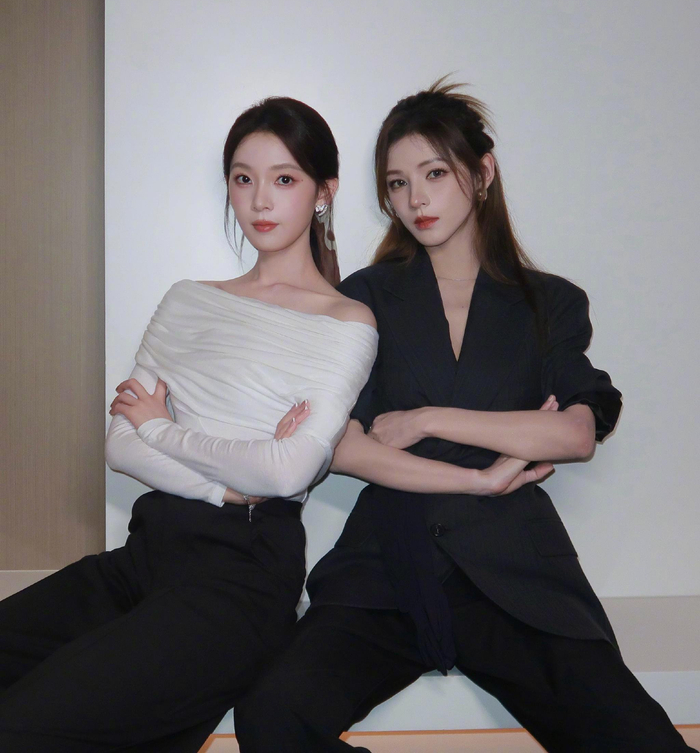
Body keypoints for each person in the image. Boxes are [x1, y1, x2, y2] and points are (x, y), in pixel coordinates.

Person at [233, 81, 695, 752]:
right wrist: (491, 456)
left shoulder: (549, 303)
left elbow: (574, 433)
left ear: (482, 173)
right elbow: (345, 445)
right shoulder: (366, 297)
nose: (415, 200)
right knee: (271, 714)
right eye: (397, 184)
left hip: (514, 576)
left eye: (435, 174)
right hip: (384, 568)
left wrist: (426, 419)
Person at [0, 97, 381, 752]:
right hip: (145, 555)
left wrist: (162, 430)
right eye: (243, 178)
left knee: (22, 726)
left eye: (284, 179)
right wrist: (226, 484)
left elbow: (285, 470)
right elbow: (120, 445)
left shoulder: (346, 322)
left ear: (324, 192)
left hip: (241, 578)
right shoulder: (188, 299)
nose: (260, 199)